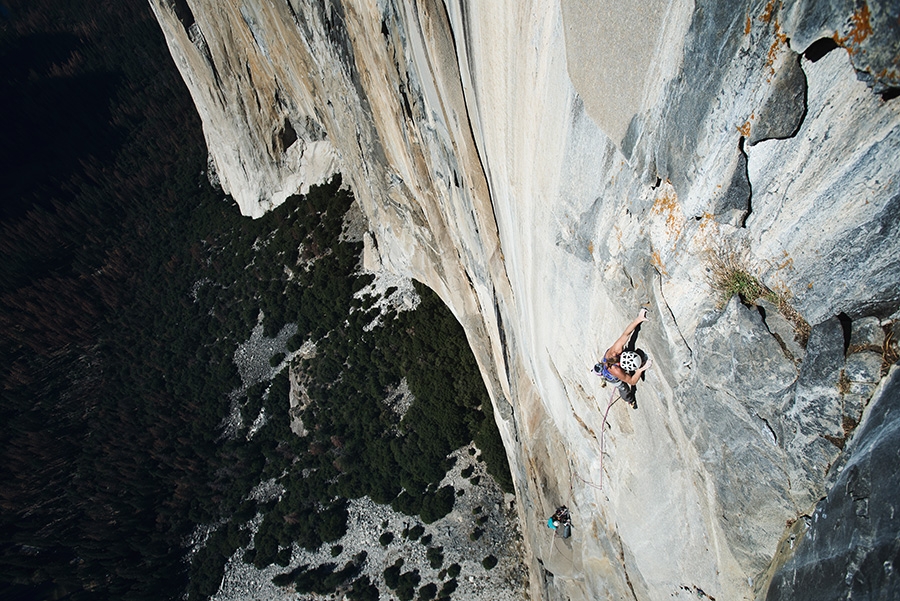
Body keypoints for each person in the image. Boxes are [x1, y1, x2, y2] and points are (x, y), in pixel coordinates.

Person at [592, 308, 653, 408]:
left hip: (610, 363)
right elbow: (632, 381)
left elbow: (626, 334)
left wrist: (639, 319)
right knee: (623, 388)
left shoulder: (615, 351)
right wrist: (642, 369)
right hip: (613, 378)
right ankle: (630, 400)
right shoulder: (616, 371)